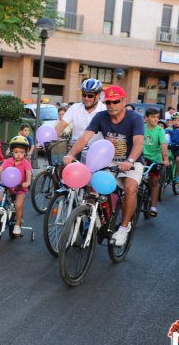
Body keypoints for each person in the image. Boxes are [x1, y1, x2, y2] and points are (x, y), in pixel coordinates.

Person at [63, 85, 144, 247]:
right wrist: (71, 154)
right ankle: (97, 219)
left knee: (130, 188)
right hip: (107, 159)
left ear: (124, 101)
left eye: (115, 101)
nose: (111, 105)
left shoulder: (134, 118)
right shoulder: (100, 117)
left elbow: (138, 142)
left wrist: (129, 161)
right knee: (93, 188)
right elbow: (84, 138)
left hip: (131, 161)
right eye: (108, 102)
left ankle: (123, 228)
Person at [0, 136, 32, 236]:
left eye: (21, 152)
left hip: (20, 188)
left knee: (19, 205)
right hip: (9, 187)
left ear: (25, 152)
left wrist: (27, 182)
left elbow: (29, 174)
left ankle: (18, 225)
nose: (19, 155)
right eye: (16, 152)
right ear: (12, 152)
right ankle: (6, 211)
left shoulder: (26, 163)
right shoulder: (8, 161)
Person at [55, 78, 106, 150]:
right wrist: (48, 141)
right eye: (84, 95)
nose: (86, 98)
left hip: (96, 151)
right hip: (76, 149)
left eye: (90, 96)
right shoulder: (74, 108)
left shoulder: (105, 110)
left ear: (98, 95)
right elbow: (60, 126)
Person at [143, 108, 169, 217]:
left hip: (155, 159)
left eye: (157, 117)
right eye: (153, 117)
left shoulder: (160, 130)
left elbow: (163, 146)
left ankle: (153, 206)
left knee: (154, 182)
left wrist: (165, 159)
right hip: (142, 157)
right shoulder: (141, 127)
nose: (155, 119)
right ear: (146, 118)